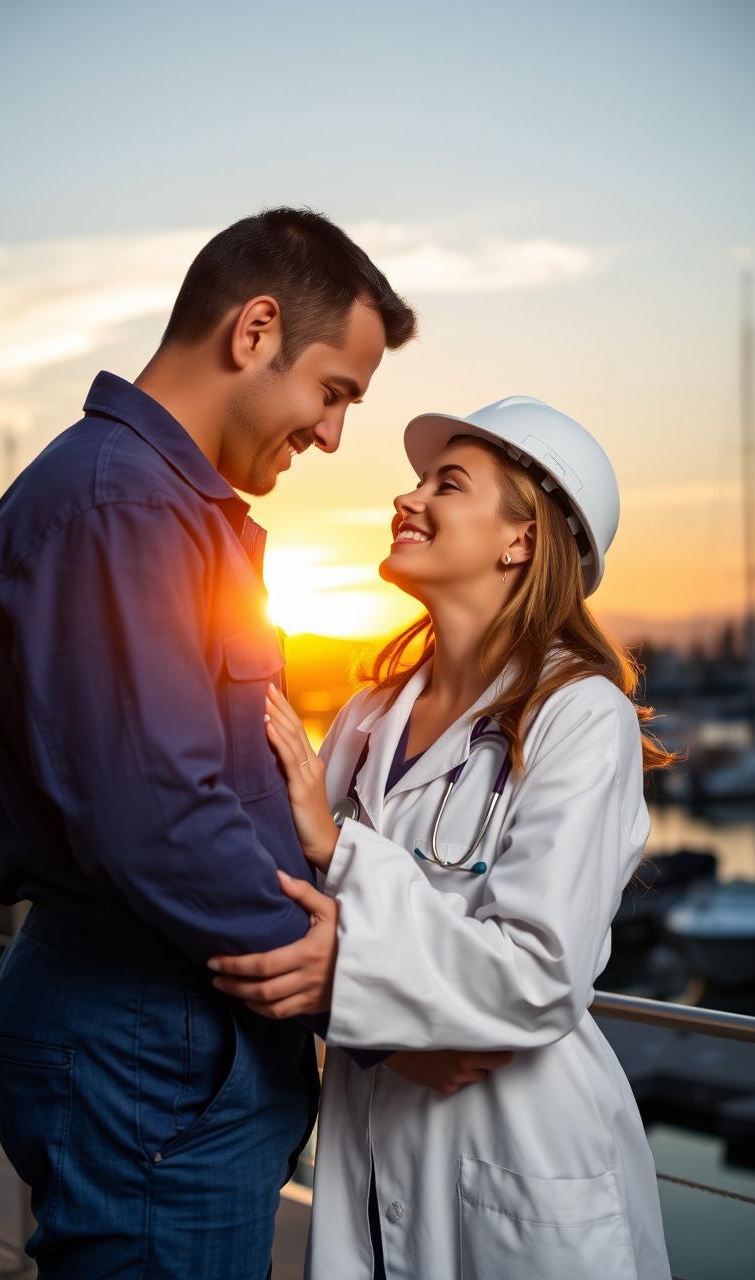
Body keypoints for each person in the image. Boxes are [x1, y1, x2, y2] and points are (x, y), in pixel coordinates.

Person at [0, 207, 419, 1279]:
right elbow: (155, 812)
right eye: (334, 391)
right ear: (255, 330)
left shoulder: (156, 508)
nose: (332, 434)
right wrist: (361, 986)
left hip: (159, 1039)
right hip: (146, 1040)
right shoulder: (121, 509)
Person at [210, 395, 674, 1280]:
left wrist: (339, 848)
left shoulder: (581, 715)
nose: (408, 498)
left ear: (522, 540)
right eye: (420, 478)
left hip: (520, 1147)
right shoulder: (365, 718)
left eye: (447, 484)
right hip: (375, 1127)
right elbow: (297, 906)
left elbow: (540, 970)